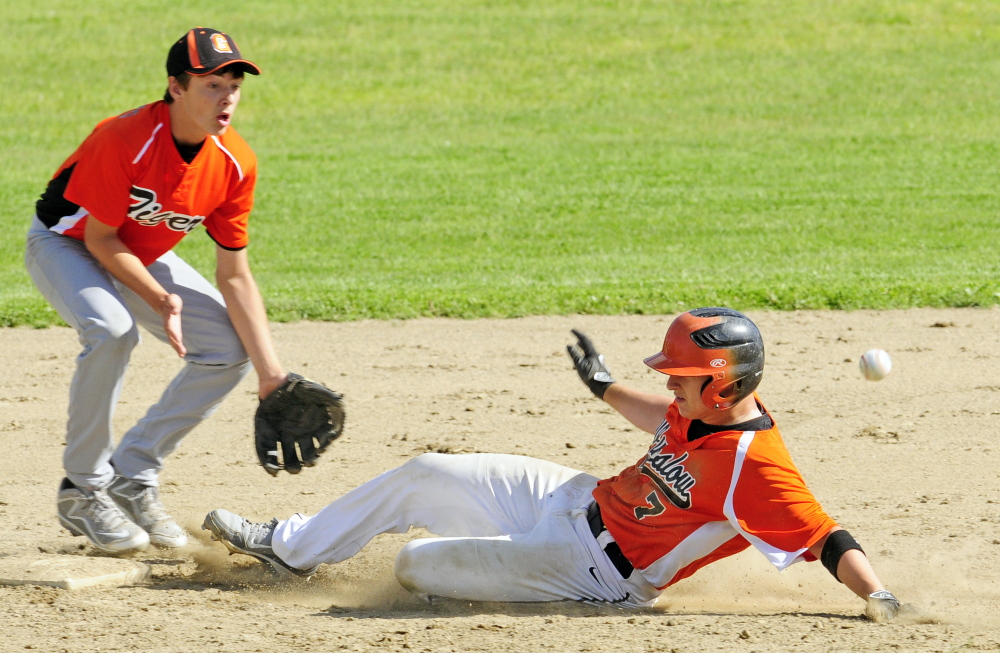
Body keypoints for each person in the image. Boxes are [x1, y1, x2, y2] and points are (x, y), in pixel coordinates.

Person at [203, 308, 901, 620]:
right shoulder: (698, 407)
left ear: (724, 383)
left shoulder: (758, 465)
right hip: (570, 498)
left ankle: (514, 573)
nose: (673, 382)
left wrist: (878, 597)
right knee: (424, 471)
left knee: (416, 564)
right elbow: (659, 412)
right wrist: (600, 385)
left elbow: (825, 536)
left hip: (597, 573)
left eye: (685, 373)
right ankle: (292, 548)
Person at [26, 28, 291, 554]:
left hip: (137, 254)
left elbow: (235, 274)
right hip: (66, 244)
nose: (227, 97)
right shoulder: (123, 138)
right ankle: (83, 489)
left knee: (227, 349)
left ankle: (132, 476)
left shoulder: (234, 162)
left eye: (234, 85)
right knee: (112, 331)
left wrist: (271, 374)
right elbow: (100, 238)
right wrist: (159, 298)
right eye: (212, 84)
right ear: (175, 87)